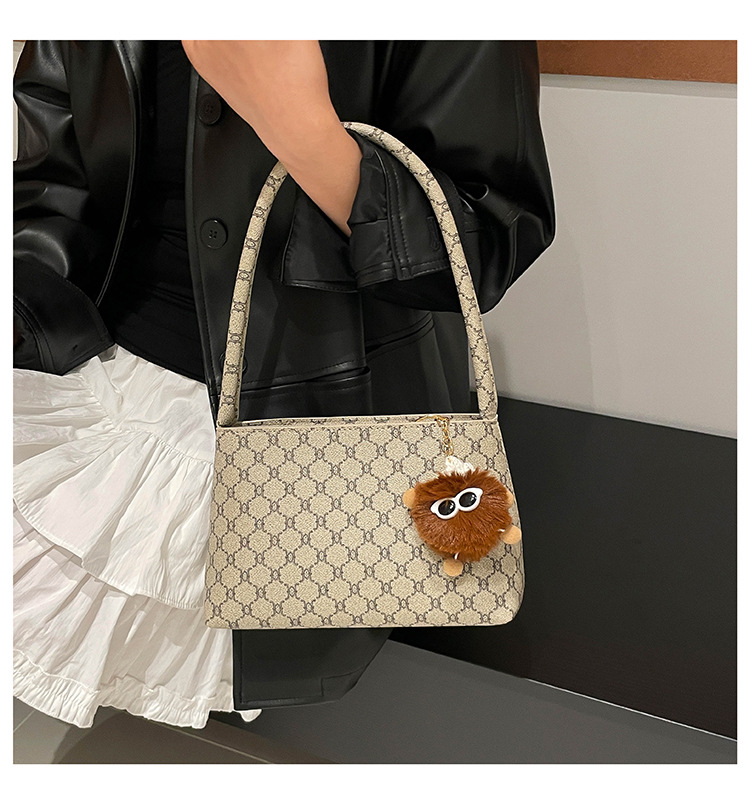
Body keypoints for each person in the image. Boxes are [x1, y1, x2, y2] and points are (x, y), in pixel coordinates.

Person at [13, 40, 555, 729]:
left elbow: (488, 242)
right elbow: (49, 187)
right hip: (85, 407)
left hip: (329, 437)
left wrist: (299, 126)